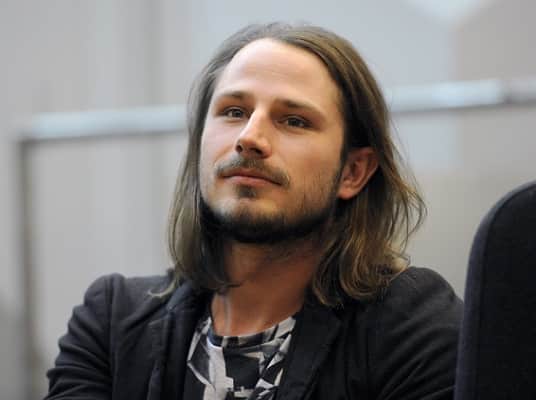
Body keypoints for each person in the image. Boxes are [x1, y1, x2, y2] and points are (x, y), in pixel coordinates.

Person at [45, 22, 462, 400]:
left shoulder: (410, 325)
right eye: (233, 112)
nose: (249, 137)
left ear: (352, 172)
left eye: (294, 120)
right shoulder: (112, 322)